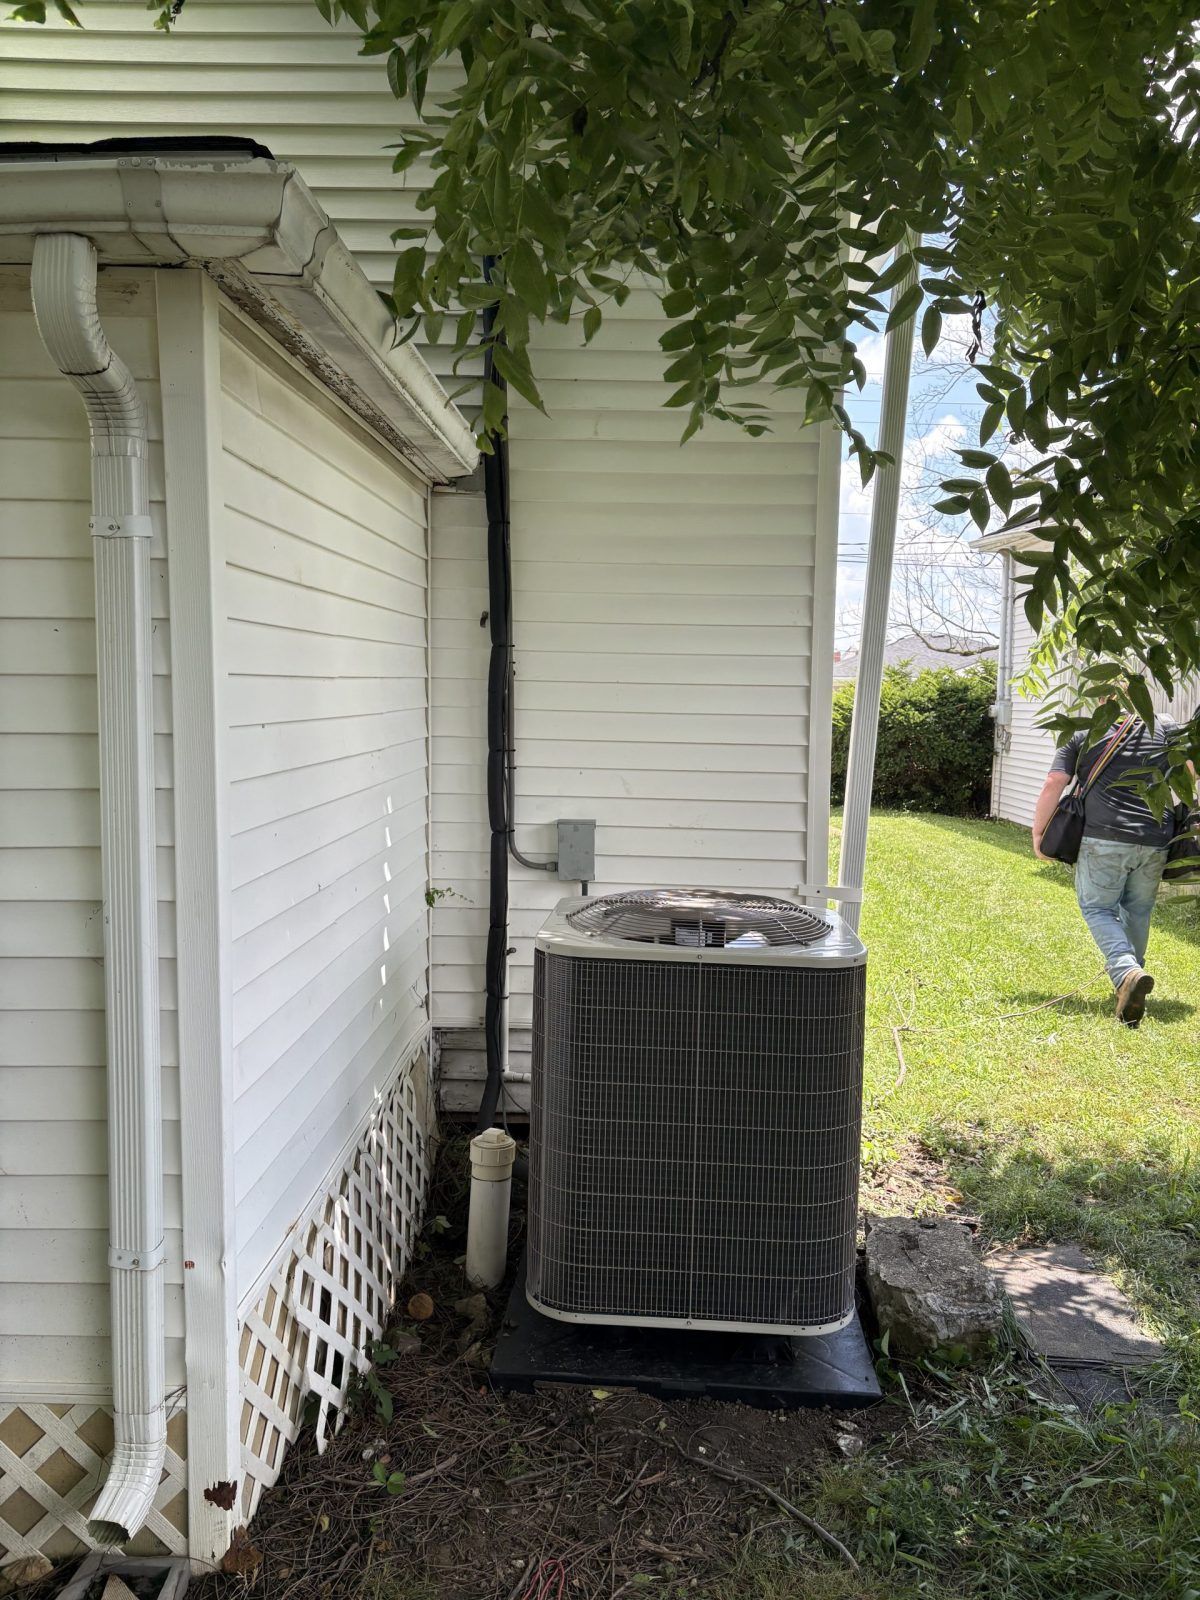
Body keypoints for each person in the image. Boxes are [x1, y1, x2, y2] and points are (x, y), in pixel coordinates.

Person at [1032, 712, 1178, 1026]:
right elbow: (1190, 770)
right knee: (1137, 910)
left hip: (1104, 836)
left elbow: (1054, 782)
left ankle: (1126, 972)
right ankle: (1129, 989)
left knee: (1097, 907)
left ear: (1101, 697)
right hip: (1156, 838)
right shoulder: (1166, 727)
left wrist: (1038, 833)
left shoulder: (1083, 731)